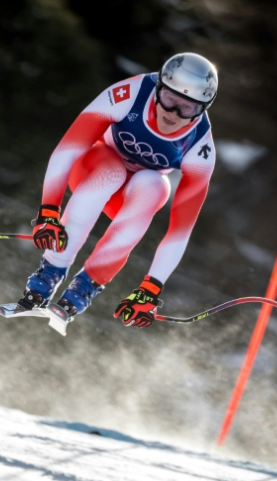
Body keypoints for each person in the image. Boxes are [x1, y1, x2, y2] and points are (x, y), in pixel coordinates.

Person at [19, 52, 218, 328]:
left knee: (155, 185)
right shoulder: (131, 93)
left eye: (188, 108)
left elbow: (180, 230)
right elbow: (68, 149)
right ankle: (49, 273)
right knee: (111, 170)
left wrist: (151, 287)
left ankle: (84, 288)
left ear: (203, 108)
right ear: (159, 88)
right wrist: (49, 210)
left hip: (128, 199)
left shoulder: (200, 148)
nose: (173, 114)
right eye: (170, 100)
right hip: (94, 169)